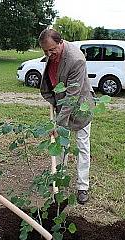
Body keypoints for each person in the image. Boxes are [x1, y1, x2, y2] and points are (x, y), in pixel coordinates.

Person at [38, 29, 94, 205]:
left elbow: (72, 96)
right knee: (61, 144)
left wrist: (58, 124)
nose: (48, 54)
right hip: (60, 103)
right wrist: (53, 100)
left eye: (52, 50)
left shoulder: (76, 59)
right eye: (45, 51)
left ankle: (82, 186)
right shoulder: (51, 52)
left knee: (82, 145)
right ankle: (59, 182)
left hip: (81, 105)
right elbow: (51, 78)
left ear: (61, 42)